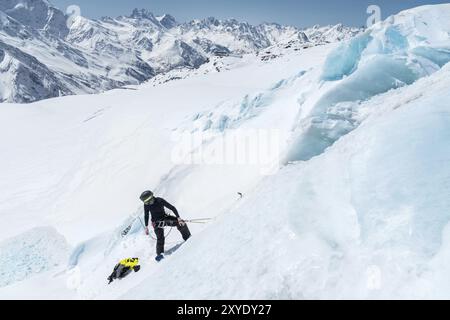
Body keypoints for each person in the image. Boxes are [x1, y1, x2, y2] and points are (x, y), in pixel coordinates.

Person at [140, 190, 191, 261]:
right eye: (146, 202)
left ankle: (188, 238)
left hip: (165, 218)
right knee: (160, 238)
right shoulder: (146, 205)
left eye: (150, 201)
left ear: (152, 197)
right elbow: (146, 215)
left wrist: (178, 218)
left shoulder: (159, 200)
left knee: (181, 223)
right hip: (156, 222)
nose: (149, 203)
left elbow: (172, 207)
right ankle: (160, 255)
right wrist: (146, 227)